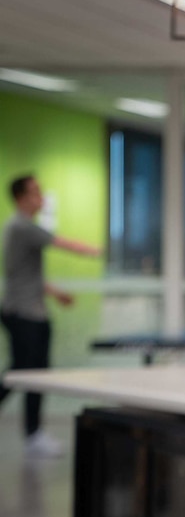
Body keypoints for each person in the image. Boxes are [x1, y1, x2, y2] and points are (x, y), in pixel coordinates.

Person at [1, 174, 101, 458]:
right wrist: (98, 250)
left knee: (29, 373)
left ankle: (33, 433)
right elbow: (65, 244)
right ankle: (33, 433)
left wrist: (54, 292)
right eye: (35, 192)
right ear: (21, 198)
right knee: (25, 374)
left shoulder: (20, 228)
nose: (41, 196)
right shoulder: (21, 227)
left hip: (29, 310)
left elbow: (24, 276)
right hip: (24, 314)